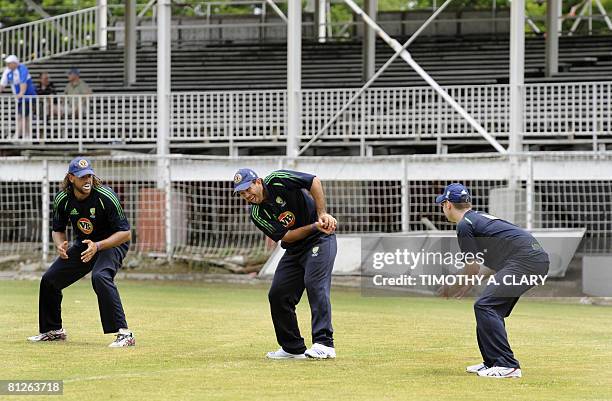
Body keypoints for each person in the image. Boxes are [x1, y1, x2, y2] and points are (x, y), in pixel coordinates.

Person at [435, 183, 549, 378]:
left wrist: (451, 286)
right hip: (530, 259)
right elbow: (488, 264)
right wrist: (469, 282)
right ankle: (492, 362)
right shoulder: (477, 219)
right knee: (489, 307)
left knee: (485, 305)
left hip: (526, 261)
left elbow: (471, 266)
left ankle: (508, 365)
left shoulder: (465, 225)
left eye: (442, 204)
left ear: (447, 204)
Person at [28, 157, 135, 348]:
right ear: (71, 178)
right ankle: (53, 331)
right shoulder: (62, 199)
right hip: (85, 245)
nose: (87, 181)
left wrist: (99, 246)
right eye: (82, 177)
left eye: (89, 176)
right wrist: (60, 245)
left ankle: (125, 334)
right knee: (49, 280)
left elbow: (125, 234)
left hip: (112, 243)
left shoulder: (105, 196)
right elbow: (58, 229)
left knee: (100, 276)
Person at [234, 168, 338, 359]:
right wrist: (314, 225)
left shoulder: (277, 179)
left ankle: (324, 344)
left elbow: (313, 180)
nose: (247, 196)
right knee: (278, 294)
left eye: (248, 189)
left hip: (320, 240)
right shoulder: (257, 214)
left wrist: (321, 214)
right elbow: (287, 236)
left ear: (258, 182)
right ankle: (292, 348)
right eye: (242, 194)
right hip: (294, 248)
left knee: (314, 284)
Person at [0, 55, 37, 138]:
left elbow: (23, 83)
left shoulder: (22, 68)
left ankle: (18, 135)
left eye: (9, 63)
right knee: (25, 117)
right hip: (19, 98)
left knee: (21, 116)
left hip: (28, 97)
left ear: (15, 63)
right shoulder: (7, 71)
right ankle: (27, 136)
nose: (8, 65)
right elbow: (2, 84)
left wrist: (21, 93)